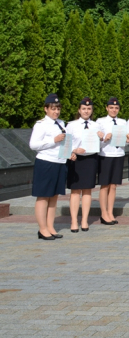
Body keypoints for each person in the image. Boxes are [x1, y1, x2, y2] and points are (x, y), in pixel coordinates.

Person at [29, 93, 69, 239]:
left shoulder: (62, 123)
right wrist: (54, 140)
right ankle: (42, 229)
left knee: (54, 197)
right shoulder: (41, 125)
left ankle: (50, 227)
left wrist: (69, 153)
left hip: (59, 163)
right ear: (46, 109)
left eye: (58, 109)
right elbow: (33, 145)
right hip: (45, 163)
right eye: (53, 109)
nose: (56, 112)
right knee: (43, 197)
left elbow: (64, 143)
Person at [66, 97, 101, 232]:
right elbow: (66, 144)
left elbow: (101, 144)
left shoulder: (96, 126)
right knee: (75, 191)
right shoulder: (71, 125)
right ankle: (74, 221)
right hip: (76, 159)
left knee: (87, 190)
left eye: (89, 109)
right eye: (84, 109)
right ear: (79, 110)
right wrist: (73, 150)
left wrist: (102, 137)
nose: (86, 111)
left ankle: (84, 220)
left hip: (90, 159)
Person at [97, 97, 129, 225]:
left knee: (113, 185)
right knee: (104, 185)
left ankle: (110, 212)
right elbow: (96, 142)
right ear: (107, 108)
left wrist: (127, 141)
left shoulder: (122, 122)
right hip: (106, 154)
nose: (114, 110)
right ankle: (103, 213)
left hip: (118, 154)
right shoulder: (100, 122)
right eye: (111, 108)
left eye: (116, 108)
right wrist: (105, 138)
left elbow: (125, 143)